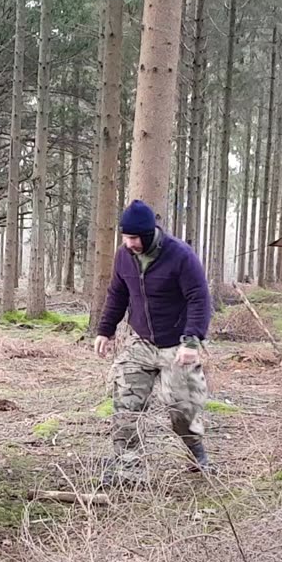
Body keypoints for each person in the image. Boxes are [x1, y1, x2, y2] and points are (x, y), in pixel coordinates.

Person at [93, 200, 213, 482]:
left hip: (177, 343)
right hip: (142, 342)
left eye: (134, 238)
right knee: (125, 403)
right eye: (125, 237)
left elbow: (199, 297)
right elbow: (117, 294)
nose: (129, 243)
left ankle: (198, 455)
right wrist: (105, 330)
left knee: (181, 410)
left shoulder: (180, 255)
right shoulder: (124, 256)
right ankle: (128, 467)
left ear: (148, 234)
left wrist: (192, 340)